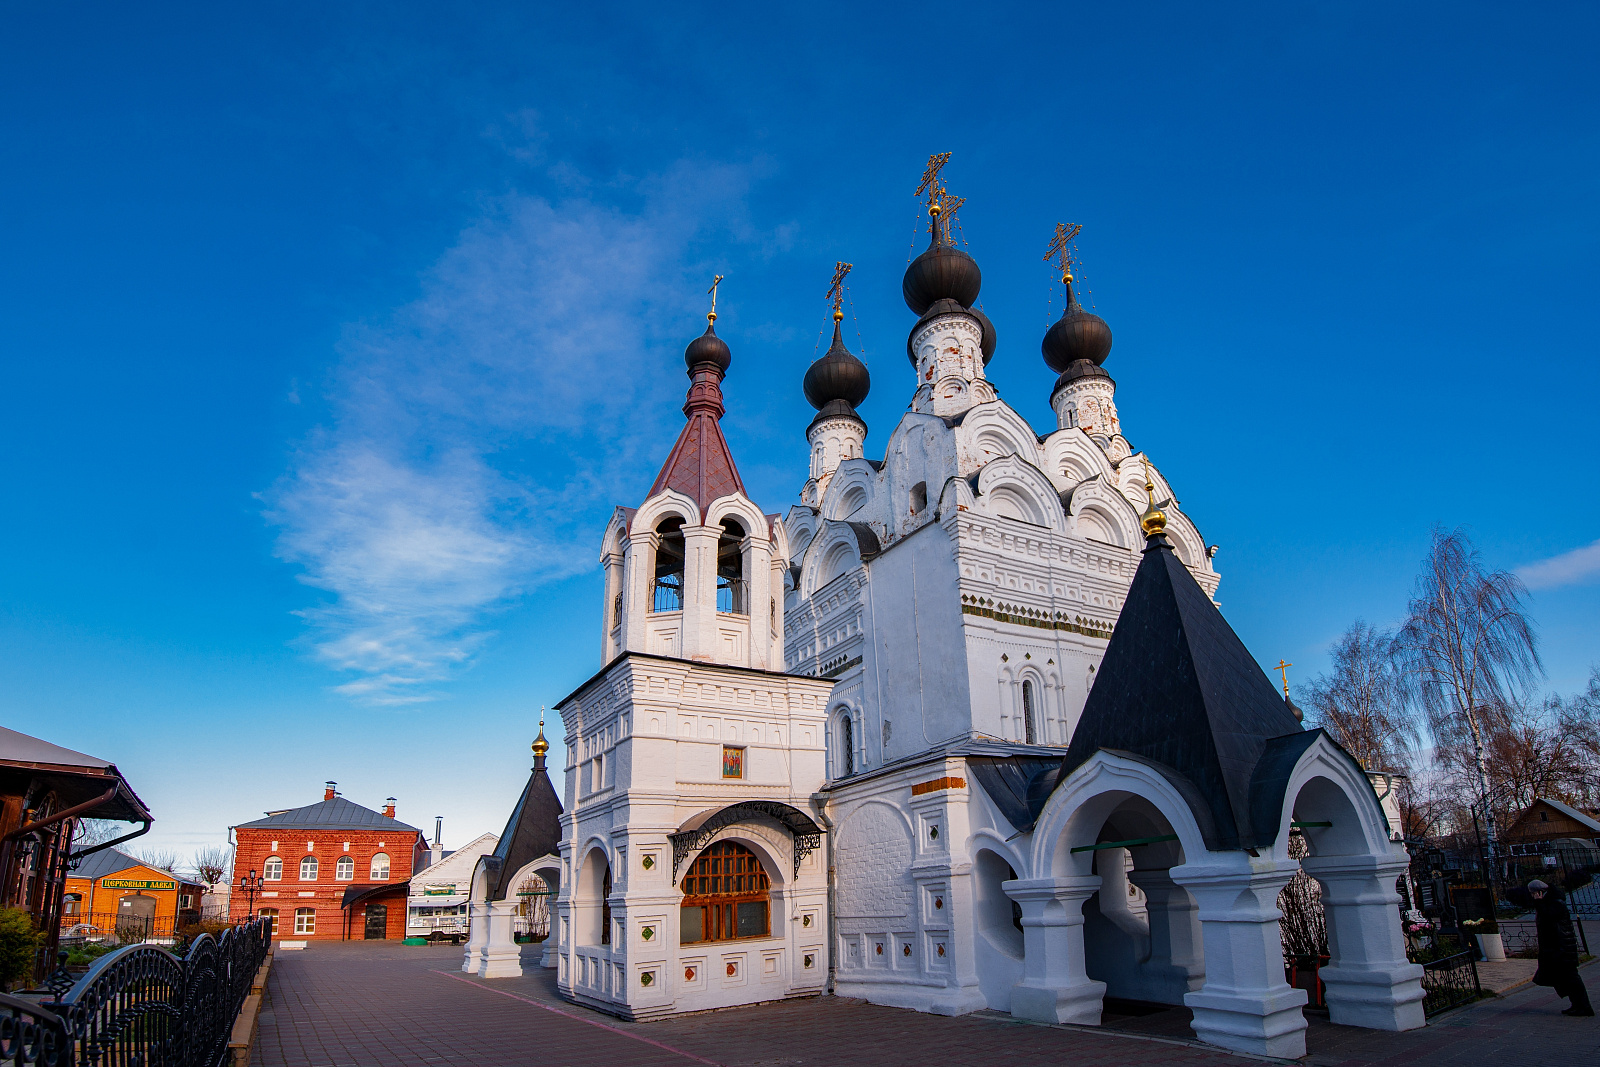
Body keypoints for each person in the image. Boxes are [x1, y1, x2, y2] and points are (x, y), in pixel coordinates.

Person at [1505, 878, 1593, 1017]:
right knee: (1566, 979)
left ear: (1539, 892)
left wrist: (1539, 902)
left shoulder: (1555, 903)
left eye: (1533, 893)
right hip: (1557, 948)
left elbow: (1549, 917)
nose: (1532, 896)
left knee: (1572, 978)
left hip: (1562, 948)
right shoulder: (1549, 902)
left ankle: (1584, 1007)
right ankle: (1576, 1005)